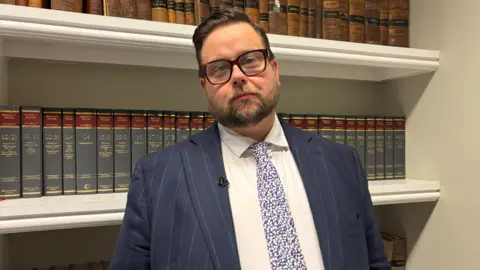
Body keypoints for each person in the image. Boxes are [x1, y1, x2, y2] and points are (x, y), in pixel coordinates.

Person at [110, 9, 390, 270]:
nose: (238, 77)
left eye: (250, 60)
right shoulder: (156, 178)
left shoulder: (342, 162)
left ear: (275, 69)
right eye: (219, 68)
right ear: (204, 87)